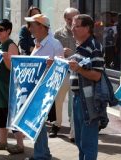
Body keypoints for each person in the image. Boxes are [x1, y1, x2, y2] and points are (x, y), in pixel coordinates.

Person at [24, 13, 64, 160]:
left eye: (32, 25)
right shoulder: (38, 42)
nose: (29, 28)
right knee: (37, 123)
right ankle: (42, 153)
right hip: (36, 88)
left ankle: (41, 155)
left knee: (38, 123)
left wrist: (52, 65)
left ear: (41, 27)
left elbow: (61, 69)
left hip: (45, 90)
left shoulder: (54, 44)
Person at [68, 14, 105, 160]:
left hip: (88, 99)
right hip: (78, 97)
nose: (72, 29)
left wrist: (78, 69)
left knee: (88, 141)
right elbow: (78, 68)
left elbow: (97, 75)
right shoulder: (81, 46)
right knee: (80, 140)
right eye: (72, 25)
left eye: (76, 26)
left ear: (87, 28)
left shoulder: (94, 46)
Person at [0, 19, 25, 154]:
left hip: (7, 87)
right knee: (0, 114)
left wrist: (6, 58)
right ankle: (3, 141)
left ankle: (20, 144)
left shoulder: (11, 45)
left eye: (1, 29)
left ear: (8, 31)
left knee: (12, 115)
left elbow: (13, 68)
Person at [51, 7, 79, 140]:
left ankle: (73, 131)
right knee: (58, 100)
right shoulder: (58, 34)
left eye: (74, 18)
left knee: (74, 102)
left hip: (77, 71)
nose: (71, 21)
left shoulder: (81, 33)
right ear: (65, 19)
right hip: (62, 71)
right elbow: (52, 52)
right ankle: (57, 124)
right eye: (69, 18)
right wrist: (61, 51)